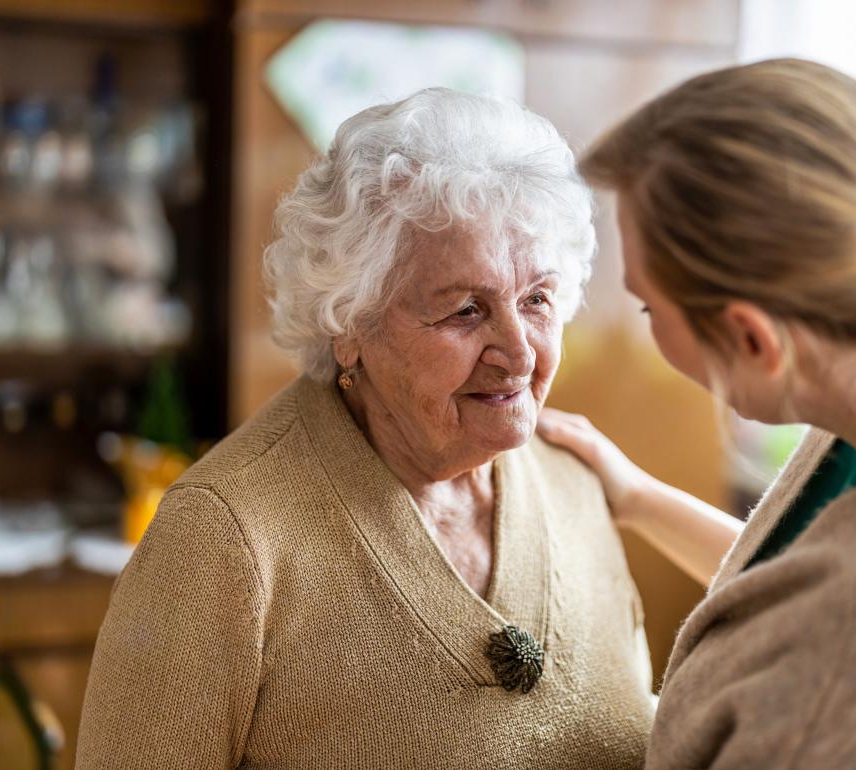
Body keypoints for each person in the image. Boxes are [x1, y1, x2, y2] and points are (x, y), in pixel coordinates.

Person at [76, 88, 654, 769]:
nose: (520, 353)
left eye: (537, 300)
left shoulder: (577, 485)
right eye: (466, 310)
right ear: (348, 325)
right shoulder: (223, 540)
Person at [539, 58, 856, 769]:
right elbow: (800, 584)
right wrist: (637, 499)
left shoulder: (855, 680)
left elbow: (836, 626)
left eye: (650, 306)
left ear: (753, 337)